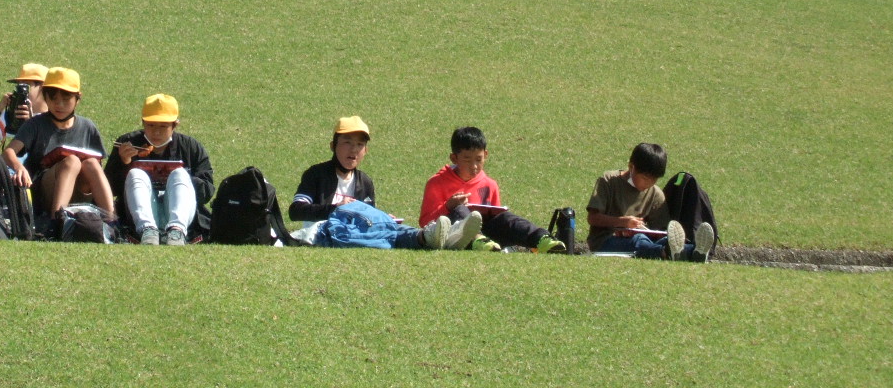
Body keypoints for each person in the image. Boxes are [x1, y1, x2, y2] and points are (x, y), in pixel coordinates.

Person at [289, 116, 461, 250]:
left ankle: (443, 237)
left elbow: (367, 218)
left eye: (360, 144)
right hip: (325, 233)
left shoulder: (365, 182)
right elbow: (295, 211)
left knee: (386, 227)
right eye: (347, 142)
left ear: (366, 150)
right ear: (333, 146)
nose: (354, 149)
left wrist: (383, 217)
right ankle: (430, 236)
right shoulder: (316, 174)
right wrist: (336, 209)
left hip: (356, 234)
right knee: (382, 231)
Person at [3, 66, 115, 237]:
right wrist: (19, 167)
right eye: (53, 98)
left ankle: (112, 222)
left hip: (80, 193)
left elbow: (98, 166)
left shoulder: (88, 127)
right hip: (45, 192)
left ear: (78, 99)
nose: (59, 104)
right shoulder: (36, 124)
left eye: (66, 98)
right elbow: (9, 151)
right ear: (45, 97)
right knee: (71, 161)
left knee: (91, 163)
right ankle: (57, 224)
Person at [418, 126, 565, 253]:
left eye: (479, 159)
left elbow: (497, 219)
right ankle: (477, 239)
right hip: (457, 237)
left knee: (506, 217)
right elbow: (425, 224)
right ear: (454, 158)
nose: (474, 166)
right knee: (460, 210)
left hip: (490, 238)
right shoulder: (437, 183)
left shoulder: (490, 184)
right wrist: (447, 206)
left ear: (486, 155)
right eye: (467, 160)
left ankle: (541, 239)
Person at [105, 94, 214, 246]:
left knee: (180, 174)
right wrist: (124, 163)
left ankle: (177, 232)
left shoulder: (190, 147)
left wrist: (180, 179)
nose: (156, 132)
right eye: (151, 125)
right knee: (136, 173)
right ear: (143, 123)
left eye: (163, 126)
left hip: (180, 213)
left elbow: (207, 191)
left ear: (175, 125)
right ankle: (147, 231)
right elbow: (109, 189)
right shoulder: (127, 143)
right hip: (137, 218)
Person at [587, 142, 714, 260]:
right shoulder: (608, 181)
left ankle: (695, 251)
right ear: (631, 167)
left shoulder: (656, 194)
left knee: (664, 240)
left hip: (643, 241)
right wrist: (623, 222)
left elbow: (661, 229)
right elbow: (592, 218)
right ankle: (666, 253)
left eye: (654, 180)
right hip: (605, 241)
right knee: (639, 239)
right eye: (645, 178)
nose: (649, 184)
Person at [0, 62, 49, 143]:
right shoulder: (15, 113)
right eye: (19, 87)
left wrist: (30, 123)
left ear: (44, 88)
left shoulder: (55, 116)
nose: (21, 92)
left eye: (26, 86)